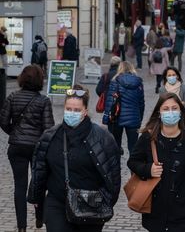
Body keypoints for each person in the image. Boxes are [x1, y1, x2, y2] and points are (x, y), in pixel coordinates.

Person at [28, 85, 121, 232]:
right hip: (57, 202)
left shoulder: (103, 138)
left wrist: (105, 202)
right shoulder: (50, 136)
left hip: (90, 204)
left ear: (85, 111)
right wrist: (36, 197)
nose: (72, 113)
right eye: (69, 109)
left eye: (77, 110)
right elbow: (40, 170)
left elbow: (113, 176)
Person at [127, 93, 185, 231]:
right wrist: (148, 169)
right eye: (165, 109)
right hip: (155, 209)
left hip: (182, 209)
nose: (170, 112)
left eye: (174, 108)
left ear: (181, 112)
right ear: (159, 113)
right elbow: (133, 162)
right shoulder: (148, 137)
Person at [0, 65, 54, 232]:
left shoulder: (12, 97)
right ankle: (39, 218)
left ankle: (22, 226)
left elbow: (3, 121)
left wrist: (14, 133)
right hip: (37, 148)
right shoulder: (43, 101)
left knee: (20, 186)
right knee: (39, 183)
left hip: (17, 147)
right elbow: (48, 128)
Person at [103, 61, 144, 156]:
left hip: (116, 118)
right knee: (133, 147)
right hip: (134, 118)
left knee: (115, 146)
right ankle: (134, 169)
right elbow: (141, 103)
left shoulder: (115, 81)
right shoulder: (138, 83)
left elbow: (110, 101)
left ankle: (116, 169)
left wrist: (106, 119)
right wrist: (139, 118)